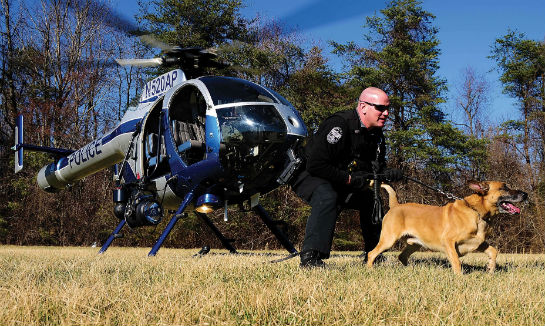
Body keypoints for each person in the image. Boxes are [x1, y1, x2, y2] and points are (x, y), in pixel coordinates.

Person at [291, 87, 403, 268]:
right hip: (308, 174)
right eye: (380, 108)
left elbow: (374, 167)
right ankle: (311, 257)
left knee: (371, 198)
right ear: (363, 106)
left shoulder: (376, 136)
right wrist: (349, 180)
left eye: (387, 108)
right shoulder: (339, 125)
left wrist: (388, 173)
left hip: (341, 179)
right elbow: (316, 164)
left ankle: (374, 254)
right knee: (327, 196)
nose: (386, 113)